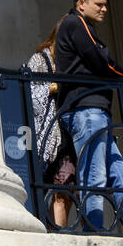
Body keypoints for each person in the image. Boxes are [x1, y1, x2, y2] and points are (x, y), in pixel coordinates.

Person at [56, 0, 123, 234]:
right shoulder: (75, 23)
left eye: (106, 5)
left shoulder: (83, 27)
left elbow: (102, 60)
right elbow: (100, 61)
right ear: (81, 3)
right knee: (94, 175)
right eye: (99, 4)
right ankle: (93, 232)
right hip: (86, 111)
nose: (104, 9)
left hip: (95, 112)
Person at [26, 19, 76, 229]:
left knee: (65, 189)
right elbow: (26, 95)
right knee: (42, 191)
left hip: (67, 135)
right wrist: (51, 88)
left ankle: (60, 233)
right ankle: (47, 231)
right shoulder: (39, 60)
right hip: (44, 138)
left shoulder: (73, 63)